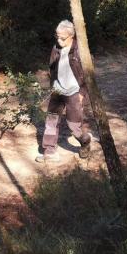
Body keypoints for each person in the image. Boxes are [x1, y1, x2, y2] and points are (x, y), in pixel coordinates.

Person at [35, 20, 93, 163]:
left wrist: (82, 93)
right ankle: (49, 151)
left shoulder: (80, 50)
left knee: (74, 126)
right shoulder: (56, 48)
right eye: (57, 37)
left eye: (63, 38)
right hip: (58, 90)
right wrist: (53, 84)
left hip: (74, 93)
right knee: (51, 121)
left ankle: (85, 141)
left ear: (71, 36)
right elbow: (52, 68)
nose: (59, 40)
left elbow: (89, 74)